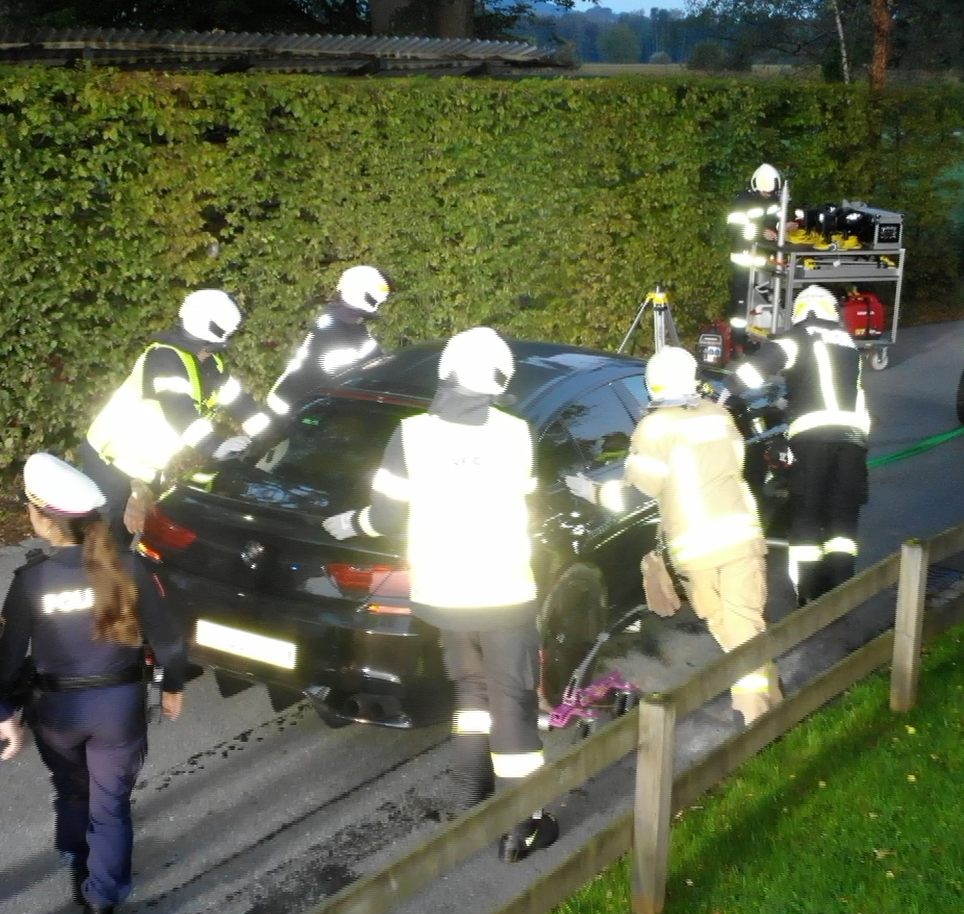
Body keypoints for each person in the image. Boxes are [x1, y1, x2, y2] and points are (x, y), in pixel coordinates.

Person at [321, 326, 558, 863]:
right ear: (500, 380)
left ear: (446, 371)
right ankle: (522, 826)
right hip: (503, 592)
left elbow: (386, 517)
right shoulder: (516, 434)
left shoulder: (410, 436)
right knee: (512, 703)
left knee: (473, 695)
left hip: (443, 595)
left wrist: (353, 522)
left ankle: (472, 797)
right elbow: (527, 498)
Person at [0, 453, 187, 914]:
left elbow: (7, 659)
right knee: (111, 806)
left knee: (72, 791)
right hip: (118, 711)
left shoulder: (30, 581)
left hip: (58, 714)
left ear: (43, 519)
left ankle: (77, 862)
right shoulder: (129, 566)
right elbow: (169, 640)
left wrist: (4, 715)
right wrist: (173, 687)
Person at [566, 346, 782, 725]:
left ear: (653, 385)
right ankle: (771, 708)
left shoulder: (654, 428)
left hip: (698, 551)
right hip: (740, 539)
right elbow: (735, 461)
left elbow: (640, 490)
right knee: (744, 626)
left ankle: (755, 720)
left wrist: (593, 492)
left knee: (731, 630)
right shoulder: (718, 415)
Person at [80, 288, 275, 546]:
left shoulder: (211, 364)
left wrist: (272, 436)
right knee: (105, 544)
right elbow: (179, 410)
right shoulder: (164, 359)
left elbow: (240, 402)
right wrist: (215, 446)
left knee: (126, 542)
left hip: (145, 469)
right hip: (111, 464)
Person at [722, 284, 870, 607]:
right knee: (842, 518)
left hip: (813, 440)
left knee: (807, 512)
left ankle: (808, 593)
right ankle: (841, 586)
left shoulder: (798, 337)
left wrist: (726, 390)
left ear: (800, 312)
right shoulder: (847, 344)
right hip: (853, 442)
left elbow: (757, 369)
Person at [265, 265, 391, 418]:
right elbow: (345, 376)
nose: (379, 305)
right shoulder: (332, 328)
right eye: (376, 300)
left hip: (306, 407)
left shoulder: (354, 327)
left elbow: (379, 362)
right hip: (290, 408)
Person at [726, 163, 794, 345]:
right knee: (742, 301)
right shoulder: (743, 201)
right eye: (764, 192)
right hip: (744, 257)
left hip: (761, 258)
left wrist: (783, 226)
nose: (767, 195)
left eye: (769, 192)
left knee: (764, 297)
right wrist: (762, 232)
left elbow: (775, 218)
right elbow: (737, 228)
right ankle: (739, 340)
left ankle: (757, 334)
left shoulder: (771, 200)